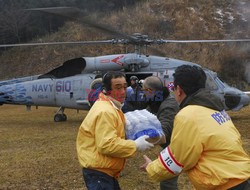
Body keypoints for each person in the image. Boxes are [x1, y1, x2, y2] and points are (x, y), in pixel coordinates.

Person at [141, 65, 250, 190]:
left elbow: (178, 159)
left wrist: (151, 168)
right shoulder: (217, 110)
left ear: (179, 90)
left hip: (224, 184)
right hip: (242, 178)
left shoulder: (188, 115)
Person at [77, 71, 154, 190]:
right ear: (107, 90)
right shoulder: (106, 111)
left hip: (104, 171)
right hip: (100, 173)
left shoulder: (110, 107)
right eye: (118, 88)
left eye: (124, 87)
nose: (123, 92)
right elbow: (106, 145)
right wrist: (135, 145)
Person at [142, 76, 179, 190]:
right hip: (170, 145)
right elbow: (147, 114)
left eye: (144, 91)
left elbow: (164, 133)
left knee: (167, 181)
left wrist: (141, 140)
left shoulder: (168, 105)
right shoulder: (157, 100)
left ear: (150, 91)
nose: (142, 94)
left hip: (176, 146)